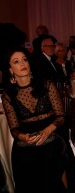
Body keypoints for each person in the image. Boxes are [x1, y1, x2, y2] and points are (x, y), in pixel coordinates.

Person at [1, 48, 68, 193]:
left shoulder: (46, 84)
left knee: (49, 155)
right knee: (24, 158)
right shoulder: (8, 95)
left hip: (53, 131)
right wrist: (22, 137)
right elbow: (14, 129)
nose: (22, 64)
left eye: (24, 59)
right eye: (16, 62)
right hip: (27, 138)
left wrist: (47, 130)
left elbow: (61, 116)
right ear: (10, 69)